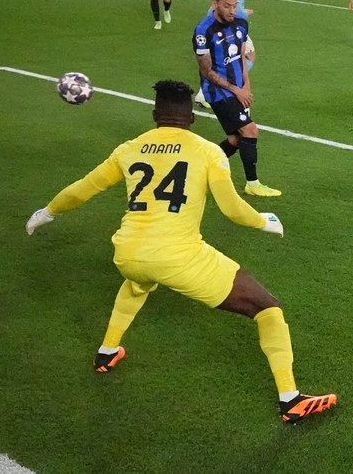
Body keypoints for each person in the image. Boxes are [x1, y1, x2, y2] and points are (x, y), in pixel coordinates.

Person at [25, 79, 337, 423]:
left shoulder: (129, 149)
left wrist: (47, 213)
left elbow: (82, 190)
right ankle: (290, 400)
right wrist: (263, 221)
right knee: (268, 309)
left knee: (137, 283)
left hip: (128, 254)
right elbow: (232, 208)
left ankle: (107, 351)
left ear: (155, 114)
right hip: (179, 258)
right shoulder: (207, 150)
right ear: (191, 118)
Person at [193, 0, 281, 197]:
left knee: (237, 138)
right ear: (214, 4)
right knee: (250, 130)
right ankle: (252, 184)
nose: (232, 10)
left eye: (235, 5)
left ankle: (201, 168)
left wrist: (246, 86)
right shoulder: (204, 31)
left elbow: (241, 56)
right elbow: (206, 71)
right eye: (227, 6)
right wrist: (236, 90)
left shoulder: (241, 23)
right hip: (218, 92)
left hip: (239, 89)